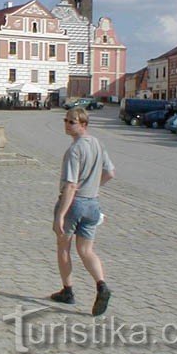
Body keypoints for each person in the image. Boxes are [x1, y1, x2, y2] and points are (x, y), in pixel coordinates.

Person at [51, 107, 115, 316]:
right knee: (87, 250)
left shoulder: (75, 150)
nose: (67, 125)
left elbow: (70, 185)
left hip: (74, 204)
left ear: (83, 124)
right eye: (66, 120)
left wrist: (61, 214)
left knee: (63, 247)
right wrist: (94, 186)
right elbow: (110, 173)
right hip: (93, 204)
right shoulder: (97, 143)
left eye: (72, 122)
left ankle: (67, 290)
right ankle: (101, 285)